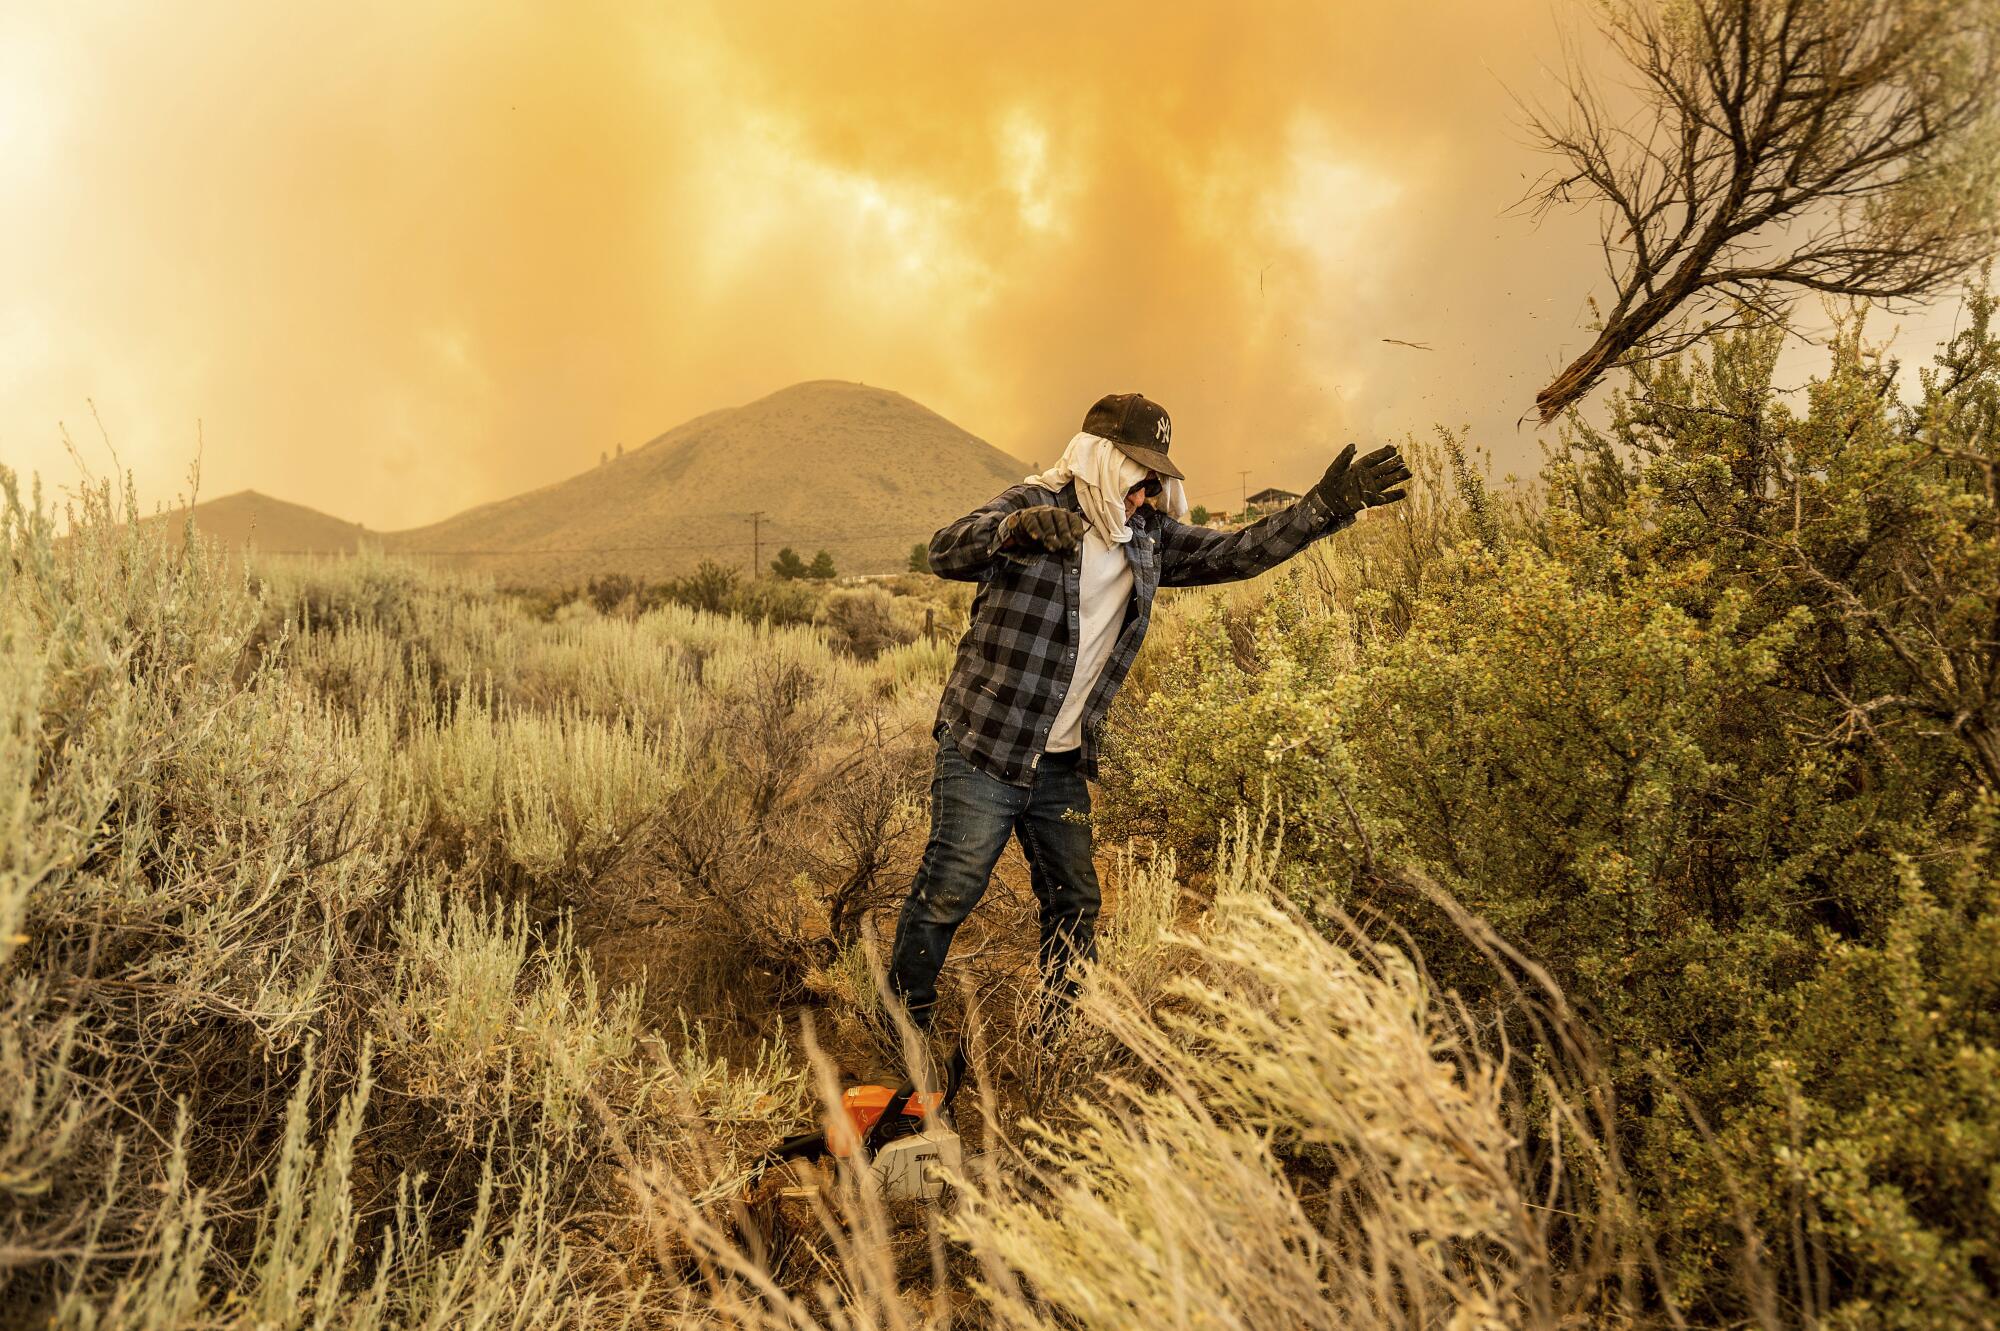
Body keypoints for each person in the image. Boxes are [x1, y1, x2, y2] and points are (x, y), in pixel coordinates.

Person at [886, 392, 1411, 1039]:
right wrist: (1010, 533)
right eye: (1139, 479)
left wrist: (1321, 509)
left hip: (1057, 765)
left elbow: (1239, 552)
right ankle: (900, 1025)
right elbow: (944, 551)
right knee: (949, 891)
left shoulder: (1149, 541)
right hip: (985, 747)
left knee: (1075, 902)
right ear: (1103, 462)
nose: (1147, 494)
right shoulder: (1032, 507)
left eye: (1156, 481)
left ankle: (1061, 1034)